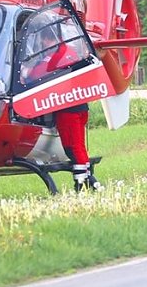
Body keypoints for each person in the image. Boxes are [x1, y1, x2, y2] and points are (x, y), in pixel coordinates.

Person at [29, 24, 101, 192]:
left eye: (43, 42)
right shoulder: (70, 51)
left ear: (47, 39)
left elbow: (41, 72)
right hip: (80, 106)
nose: (44, 46)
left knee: (72, 147)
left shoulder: (57, 55)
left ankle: (82, 183)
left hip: (68, 109)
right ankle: (88, 180)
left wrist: (28, 72)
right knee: (78, 146)